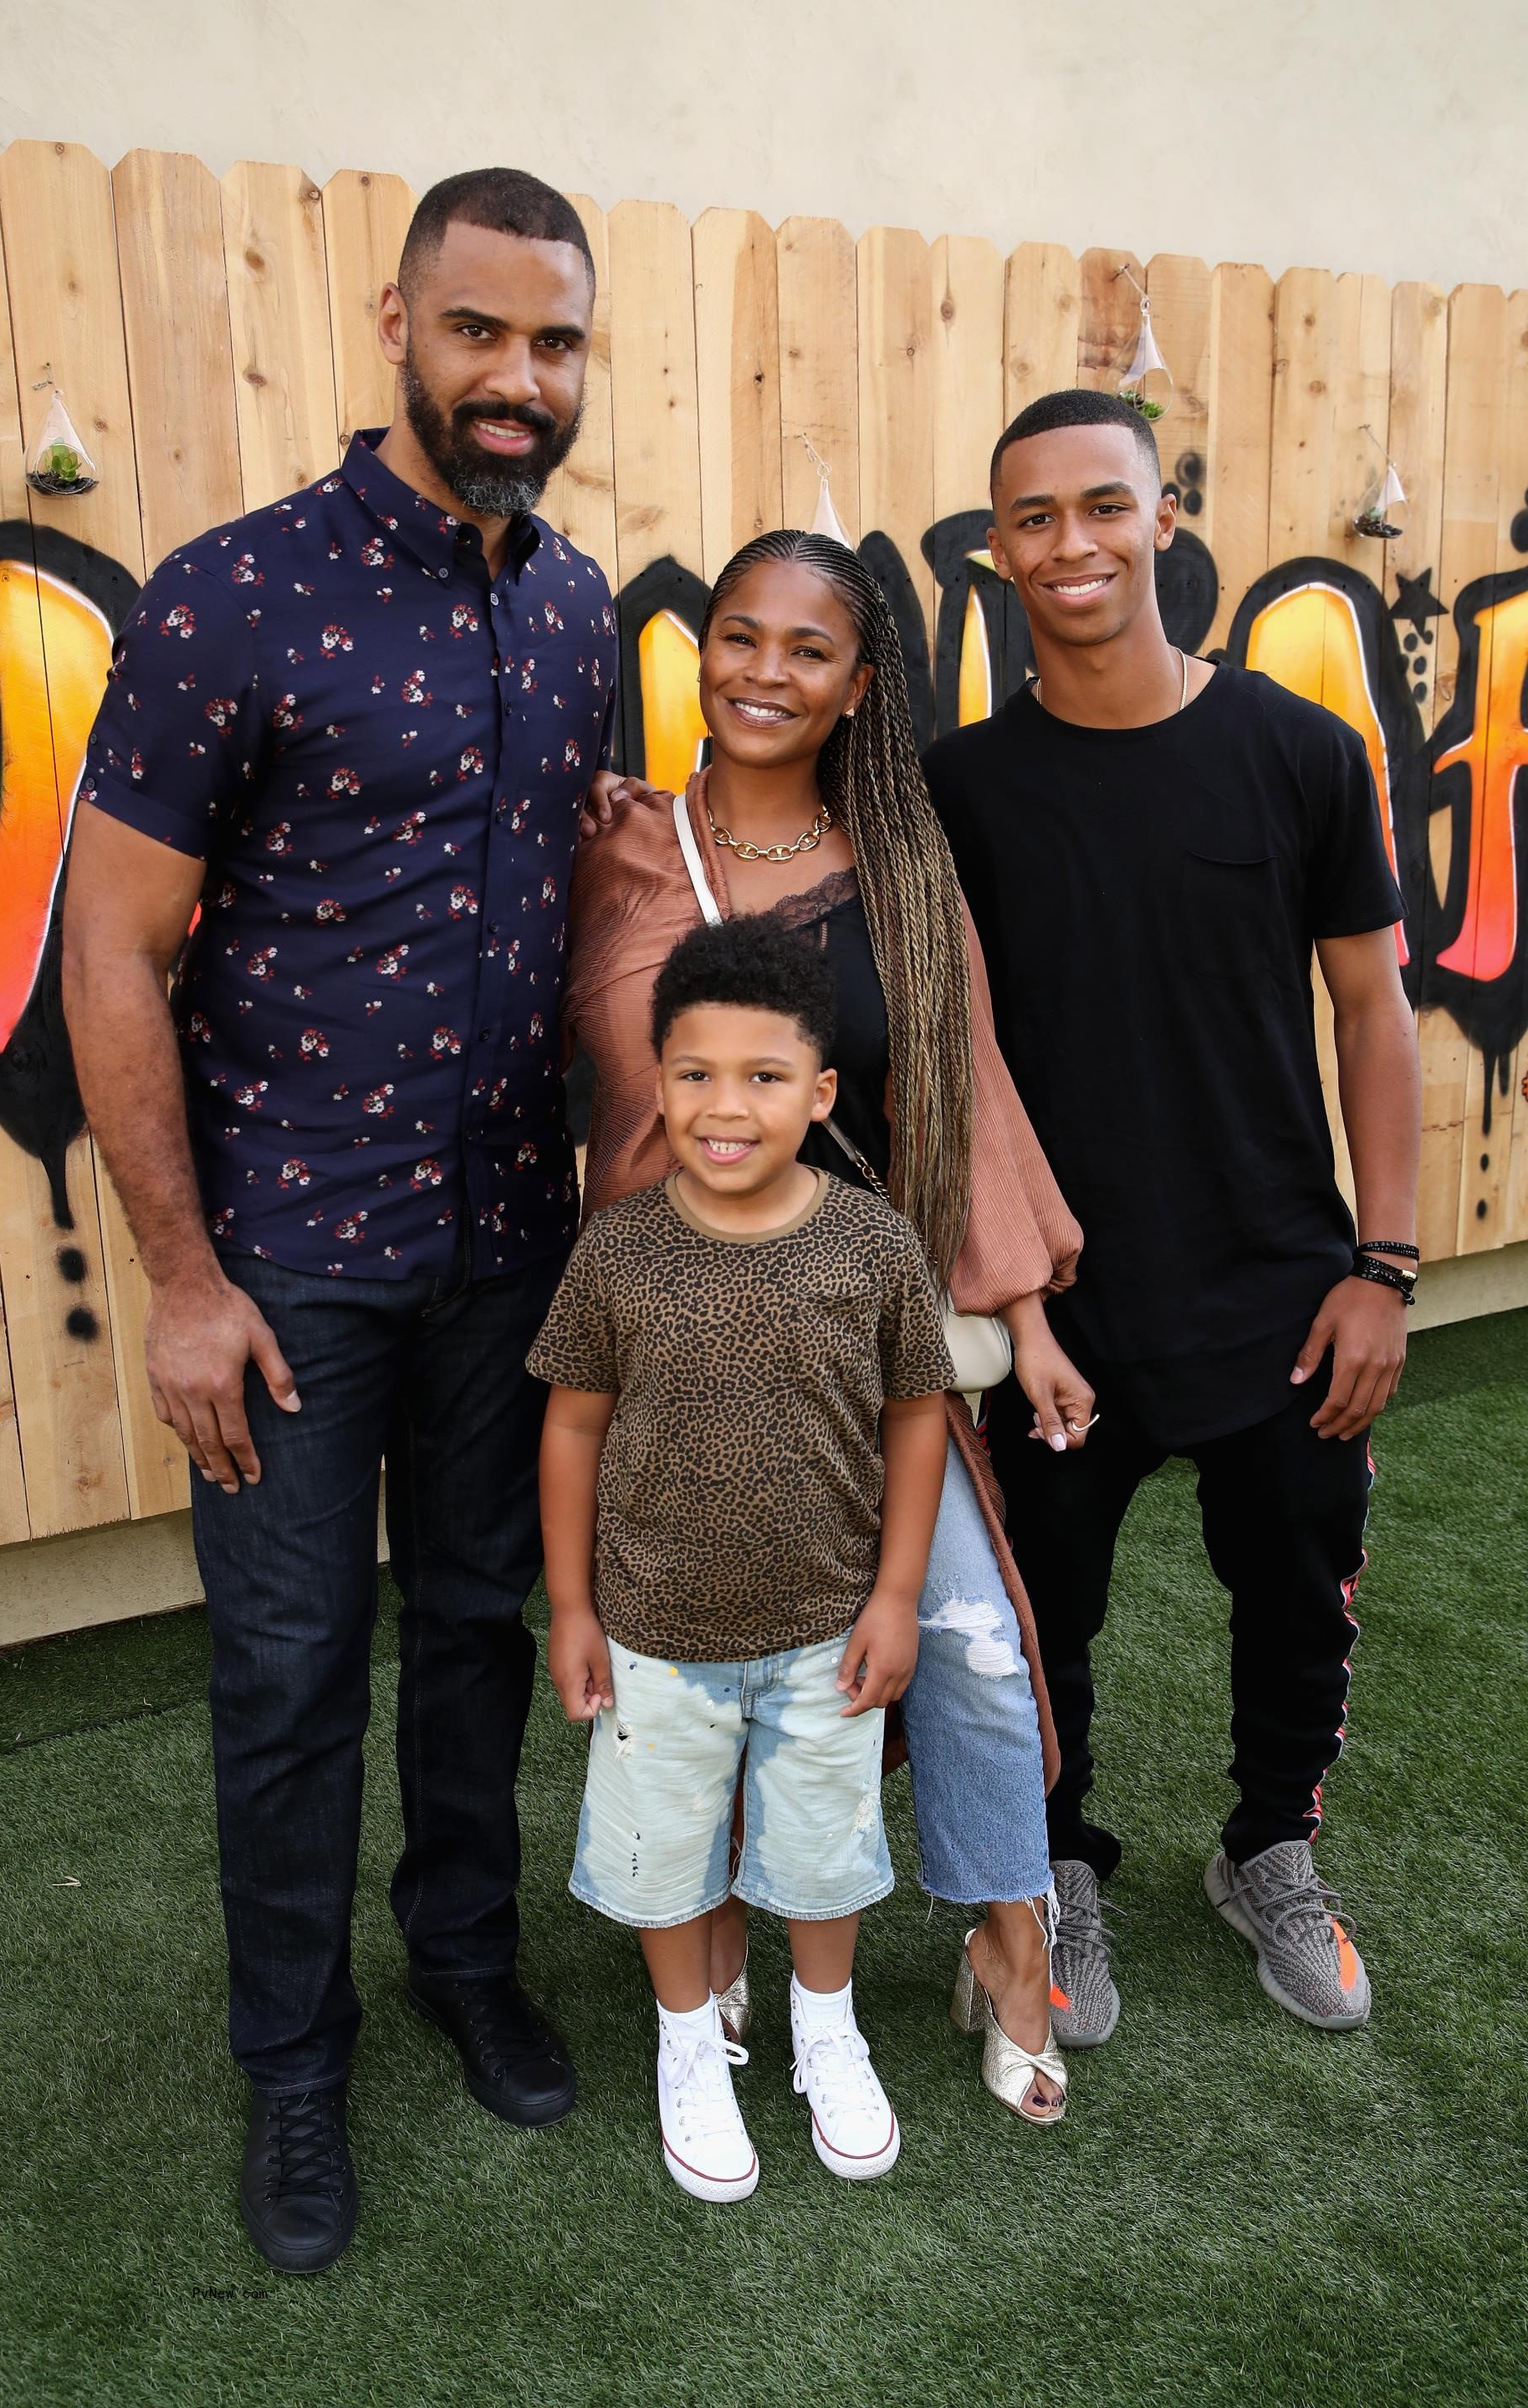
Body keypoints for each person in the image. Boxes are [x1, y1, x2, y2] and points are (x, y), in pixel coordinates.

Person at [63, 167, 620, 2274]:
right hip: (286, 1258)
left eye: (552, 341)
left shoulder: (574, 607)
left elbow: (574, 906)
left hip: (508, 1240)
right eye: (478, 332)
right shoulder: (230, 594)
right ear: (397, 324)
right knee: (292, 1670)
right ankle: (291, 2065)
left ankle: (461, 1961)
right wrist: (184, 1284)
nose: (515, 377)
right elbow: (106, 953)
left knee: (477, 1625)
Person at [573, 529, 1091, 2123]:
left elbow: (968, 1087)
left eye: (808, 651)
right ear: (703, 649)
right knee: (714, 1650)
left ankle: (1011, 1937)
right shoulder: (620, 848)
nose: (765, 675)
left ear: (861, 685)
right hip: (667, 1342)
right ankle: (715, 1944)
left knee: (966, 1645)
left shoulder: (905, 871)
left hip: (858, 1321)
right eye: (740, 638)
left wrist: (1022, 1311)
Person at [923, 386, 1422, 2043]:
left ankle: (1272, 1849)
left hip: (1278, 1283)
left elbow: (1373, 1009)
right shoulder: (961, 789)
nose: (1072, 543)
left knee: (1297, 1580)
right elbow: (953, 1055)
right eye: (1035, 518)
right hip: (1051, 1306)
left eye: (1103, 507)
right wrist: (1004, 1300)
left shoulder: (1297, 750)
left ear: (1164, 521)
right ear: (998, 552)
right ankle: (1057, 1868)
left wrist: (1388, 1266)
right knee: (1031, 1621)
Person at [532, 911, 953, 2198]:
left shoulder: (871, 1242)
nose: (728, 1107)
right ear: (656, 1084)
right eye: (695, 1075)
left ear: (821, 1092)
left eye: (764, 1078)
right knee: (668, 1853)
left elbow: (919, 1412)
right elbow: (571, 1424)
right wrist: (570, 1608)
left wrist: (895, 1596)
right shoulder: (619, 1249)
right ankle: (687, 2046)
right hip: (655, 1638)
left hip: (828, 1629)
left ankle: (826, 2031)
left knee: (823, 1851)